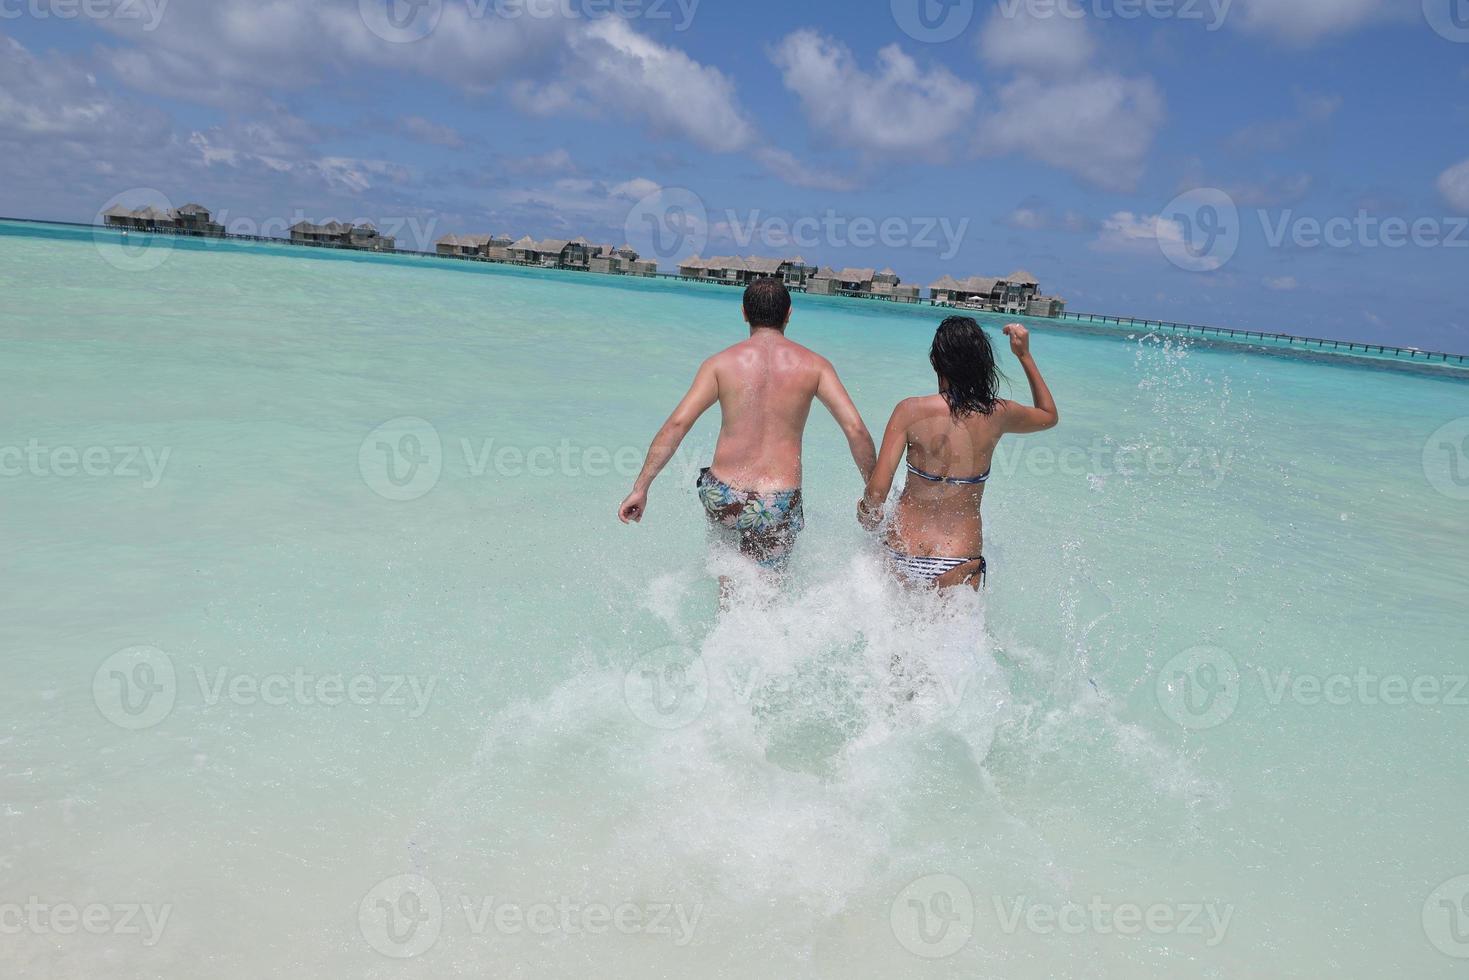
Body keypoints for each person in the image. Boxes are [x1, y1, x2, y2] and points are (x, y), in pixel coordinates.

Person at [618, 279, 876, 577]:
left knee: (729, 583)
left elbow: (677, 424)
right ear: (789, 314)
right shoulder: (815, 366)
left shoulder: (719, 364)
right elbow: (855, 429)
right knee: (767, 593)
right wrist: (873, 495)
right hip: (778, 500)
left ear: (743, 313)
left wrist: (641, 488)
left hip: (724, 495)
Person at [858, 317, 1058, 590]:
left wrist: (865, 511)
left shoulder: (909, 410)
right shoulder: (997, 414)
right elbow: (1049, 415)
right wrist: (1023, 354)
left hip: (902, 548)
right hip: (959, 558)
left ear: (936, 362)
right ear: (981, 364)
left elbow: (878, 493)